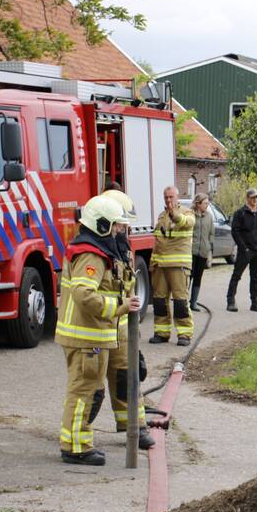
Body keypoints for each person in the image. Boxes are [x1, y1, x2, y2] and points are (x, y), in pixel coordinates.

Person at [55, 195, 141, 466]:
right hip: (84, 338)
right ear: (102, 225)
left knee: (90, 391)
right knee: (84, 391)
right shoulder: (90, 254)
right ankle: (75, 447)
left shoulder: (99, 250)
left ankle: (78, 443)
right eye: (116, 226)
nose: (119, 232)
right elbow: (84, 295)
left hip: (92, 337)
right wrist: (120, 305)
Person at [98, 189, 154, 451]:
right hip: (97, 328)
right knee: (90, 386)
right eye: (121, 224)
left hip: (121, 328)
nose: (124, 229)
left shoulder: (121, 248)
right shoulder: (92, 252)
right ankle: (77, 437)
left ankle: (136, 427)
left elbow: (127, 286)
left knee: (127, 377)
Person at [149, 186, 195, 346]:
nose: (168, 200)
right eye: (166, 197)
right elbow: (158, 242)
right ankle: (162, 333)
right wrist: (152, 262)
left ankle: (184, 334)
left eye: (171, 197)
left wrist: (173, 213)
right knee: (159, 301)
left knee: (180, 301)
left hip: (178, 265)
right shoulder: (162, 216)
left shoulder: (187, 213)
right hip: (160, 265)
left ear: (177, 197)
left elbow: (184, 223)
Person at [226, 188, 257, 312]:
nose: (255, 199)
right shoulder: (240, 213)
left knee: (255, 277)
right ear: (248, 198)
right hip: (245, 250)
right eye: (253, 197)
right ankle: (230, 300)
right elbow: (235, 231)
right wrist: (243, 247)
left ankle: (255, 302)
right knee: (237, 275)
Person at [189, 192, 215, 312]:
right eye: (205, 203)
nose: (207, 205)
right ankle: (183, 302)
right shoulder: (190, 215)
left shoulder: (209, 216)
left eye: (207, 203)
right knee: (188, 277)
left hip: (203, 252)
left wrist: (209, 249)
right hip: (191, 252)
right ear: (198, 204)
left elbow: (211, 233)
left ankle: (193, 302)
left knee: (198, 277)